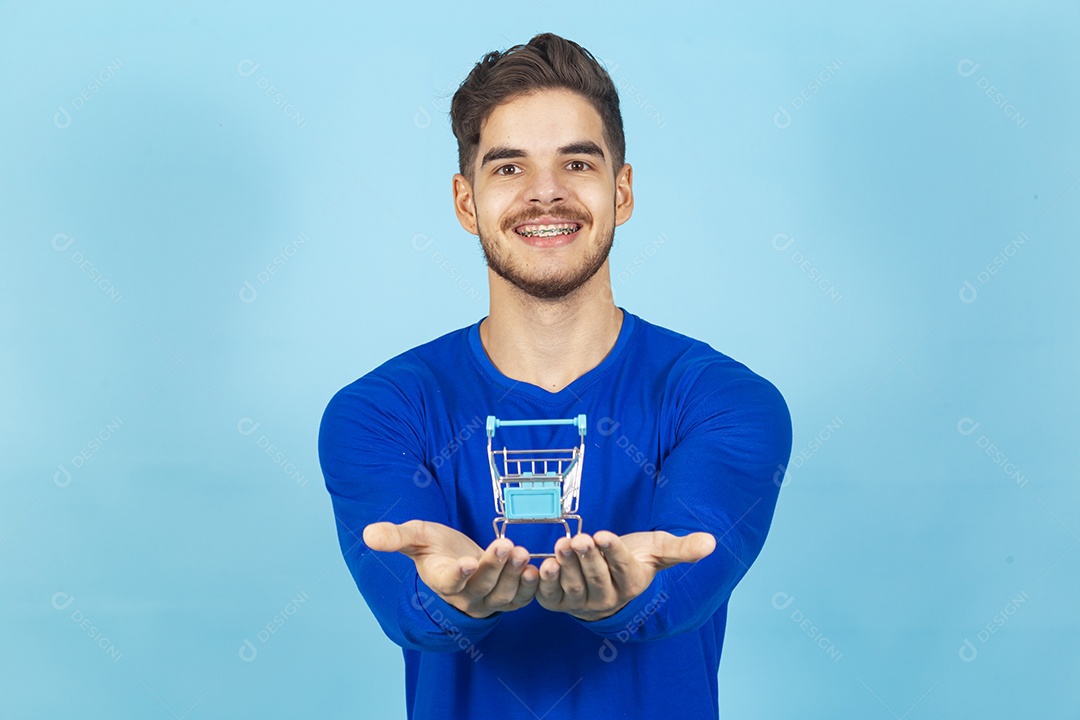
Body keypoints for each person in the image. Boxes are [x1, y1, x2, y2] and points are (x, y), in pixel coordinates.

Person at [318, 32, 792, 720]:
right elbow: (402, 604)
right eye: (508, 169)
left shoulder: (725, 402)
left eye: (577, 162)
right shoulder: (380, 412)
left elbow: (693, 571)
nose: (546, 194)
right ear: (465, 201)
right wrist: (446, 597)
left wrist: (633, 596)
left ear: (622, 191)